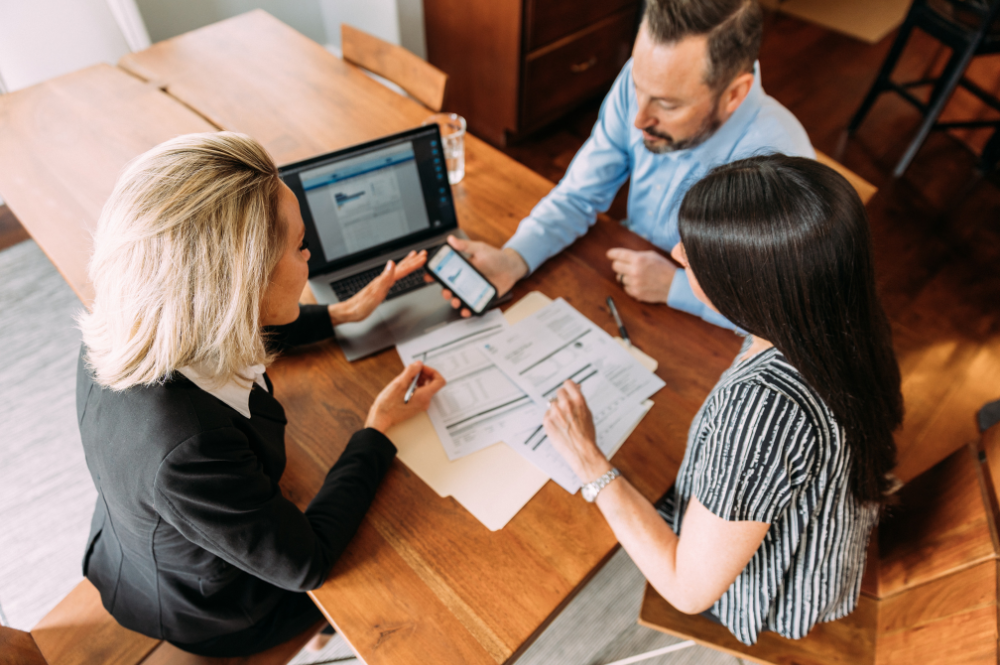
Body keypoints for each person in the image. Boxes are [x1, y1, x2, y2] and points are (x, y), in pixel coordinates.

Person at [76, 132, 446, 657]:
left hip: (135, 544)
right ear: (239, 284)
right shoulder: (191, 450)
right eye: (298, 246)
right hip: (217, 608)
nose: (310, 254)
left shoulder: (124, 321)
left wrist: (340, 314)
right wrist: (376, 430)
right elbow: (307, 564)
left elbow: (222, 324)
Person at [542, 155, 904, 645]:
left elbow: (687, 590)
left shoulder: (763, 415)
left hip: (774, 595)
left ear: (749, 290)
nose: (675, 253)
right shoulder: (835, 314)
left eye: (697, 255)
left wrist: (589, 461)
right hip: (826, 532)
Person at [434, 0, 814, 329]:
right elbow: (579, 195)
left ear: (734, 94)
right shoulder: (645, 84)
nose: (638, 118)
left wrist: (675, 287)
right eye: (637, 87)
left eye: (667, 104)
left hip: (710, 332)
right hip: (625, 287)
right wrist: (514, 258)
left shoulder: (784, 165)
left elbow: (786, 310)